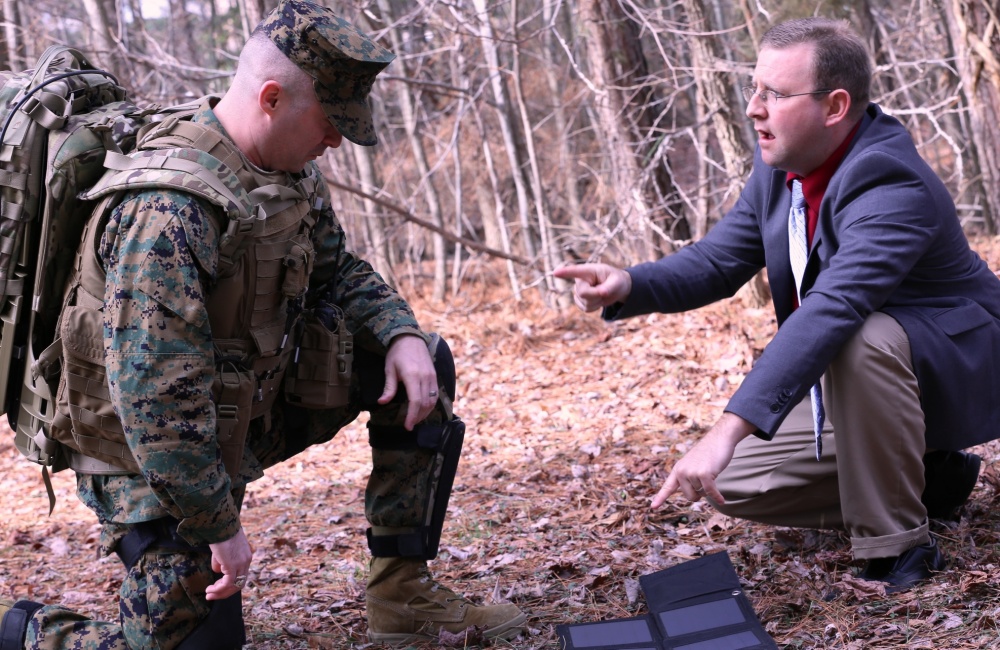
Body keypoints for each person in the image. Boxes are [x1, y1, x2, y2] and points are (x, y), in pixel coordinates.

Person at [0, 1, 525, 647]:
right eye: (329, 121)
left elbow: (337, 269)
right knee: (196, 644)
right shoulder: (167, 211)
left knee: (425, 364)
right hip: (143, 460)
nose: (335, 140)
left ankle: (402, 591)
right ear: (272, 97)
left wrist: (402, 334)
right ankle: (26, 632)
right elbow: (156, 404)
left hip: (239, 411)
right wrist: (218, 524)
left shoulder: (285, 171)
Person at [556, 17, 999, 593]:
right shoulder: (784, 172)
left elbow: (834, 307)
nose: (753, 108)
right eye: (754, 89)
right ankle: (932, 476)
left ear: (835, 106)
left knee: (859, 335)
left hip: (961, 362)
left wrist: (726, 427)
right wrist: (630, 284)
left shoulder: (890, 183)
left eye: (775, 94)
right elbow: (717, 260)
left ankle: (898, 548)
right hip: (878, 384)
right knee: (737, 482)